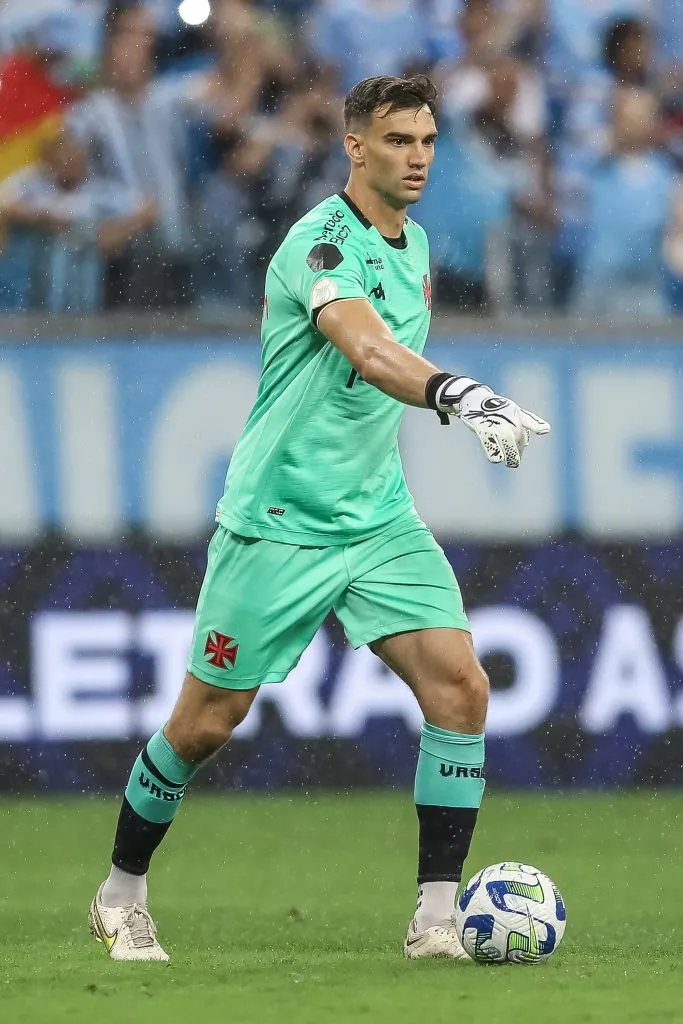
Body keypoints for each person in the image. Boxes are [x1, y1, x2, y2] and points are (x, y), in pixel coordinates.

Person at [88, 74, 550, 963]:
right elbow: (369, 349)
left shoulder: (411, 244)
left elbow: (386, 357)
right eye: (397, 141)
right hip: (279, 520)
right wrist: (458, 393)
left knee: (460, 688)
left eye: (425, 141)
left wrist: (444, 394)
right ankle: (120, 890)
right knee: (206, 723)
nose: (415, 157)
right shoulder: (319, 243)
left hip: (376, 518)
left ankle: (434, 920)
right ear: (354, 146)